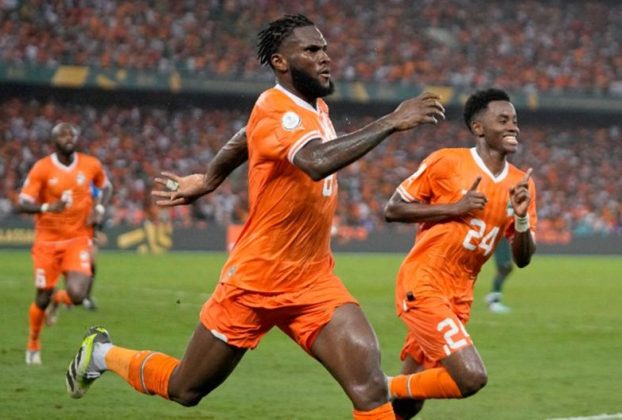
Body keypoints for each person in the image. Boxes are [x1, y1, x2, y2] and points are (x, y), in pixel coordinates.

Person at [64, 14, 445, 419]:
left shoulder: (313, 105)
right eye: (311, 50)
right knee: (185, 388)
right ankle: (101, 354)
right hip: (256, 279)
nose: (325, 57)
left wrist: (210, 178)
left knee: (370, 388)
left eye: (324, 48)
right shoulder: (276, 107)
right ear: (281, 62)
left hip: (313, 280)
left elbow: (246, 136)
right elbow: (315, 162)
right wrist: (391, 121)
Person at [383, 88, 537, 418]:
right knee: (470, 377)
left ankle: (387, 392)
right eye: (503, 120)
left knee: (410, 400)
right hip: (424, 284)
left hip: (459, 297)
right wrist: (456, 207)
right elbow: (393, 209)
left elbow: (523, 259)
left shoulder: (521, 183)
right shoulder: (447, 161)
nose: (513, 127)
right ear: (478, 127)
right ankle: (378, 385)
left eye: (515, 120)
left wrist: (522, 218)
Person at [17, 122, 111, 364]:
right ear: (54, 141)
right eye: (63, 134)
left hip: (78, 238)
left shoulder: (90, 164)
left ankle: (58, 299)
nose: (68, 137)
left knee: (78, 295)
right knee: (41, 297)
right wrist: (48, 207)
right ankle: (33, 343)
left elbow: (106, 186)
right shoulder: (42, 168)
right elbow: (23, 203)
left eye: (72, 134)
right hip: (47, 241)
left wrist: (100, 209)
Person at [485, 237, 514, 313]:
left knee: (507, 268)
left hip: (505, 238)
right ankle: (494, 302)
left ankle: (493, 295)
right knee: (504, 267)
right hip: (501, 237)